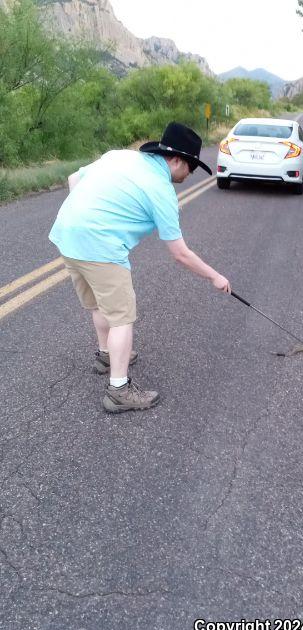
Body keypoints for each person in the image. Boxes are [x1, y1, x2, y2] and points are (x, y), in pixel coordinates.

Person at [49, 122, 231, 413]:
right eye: (191, 168)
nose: (190, 175)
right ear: (176, 161)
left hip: (66, 235)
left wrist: (84, 216)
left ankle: (106, 355)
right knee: (122, 318)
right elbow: (180, 254)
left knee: (98, 304)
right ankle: (119, 390)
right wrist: (215, 277)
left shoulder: (121, 156)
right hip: (101, 247)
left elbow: (73, 179)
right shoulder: (161, 190)